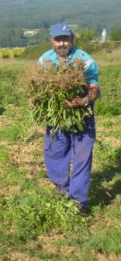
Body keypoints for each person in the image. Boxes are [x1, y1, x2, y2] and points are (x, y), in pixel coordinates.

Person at [38, 23, 100, 213]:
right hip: (56, 117)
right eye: (58, 40)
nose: (62, 43)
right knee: (54, 152)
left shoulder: (85, 60)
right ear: (51, 41)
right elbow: (40, 86)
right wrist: (38, 103)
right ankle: (62, 190)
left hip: (81, 116)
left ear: (72, 39)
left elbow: (95, 89)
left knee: (82, 156)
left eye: (65, 39)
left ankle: (79, 201)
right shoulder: (44, 60)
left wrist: (83, 101)